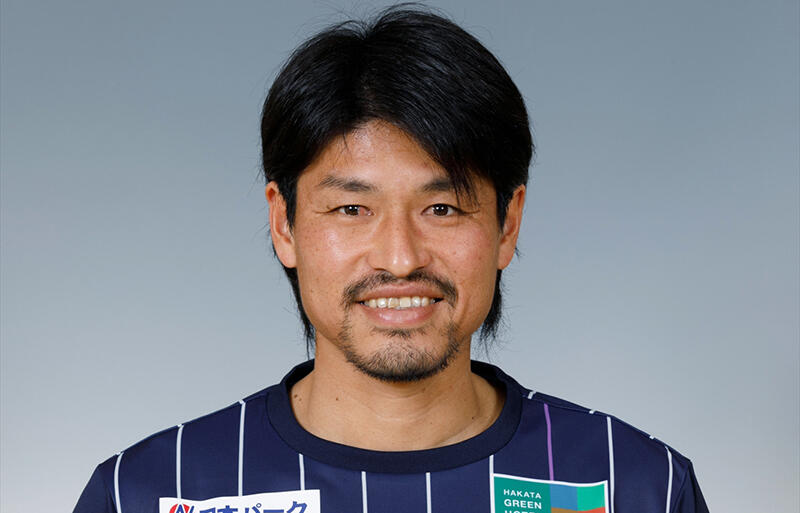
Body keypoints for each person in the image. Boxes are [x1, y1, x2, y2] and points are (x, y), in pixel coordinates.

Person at [74, 7, 708, 513]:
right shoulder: (146, 494)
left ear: (507, 224)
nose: (400, 259)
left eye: (443, 208)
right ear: (284, 223)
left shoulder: (636, 486)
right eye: (352, 209)